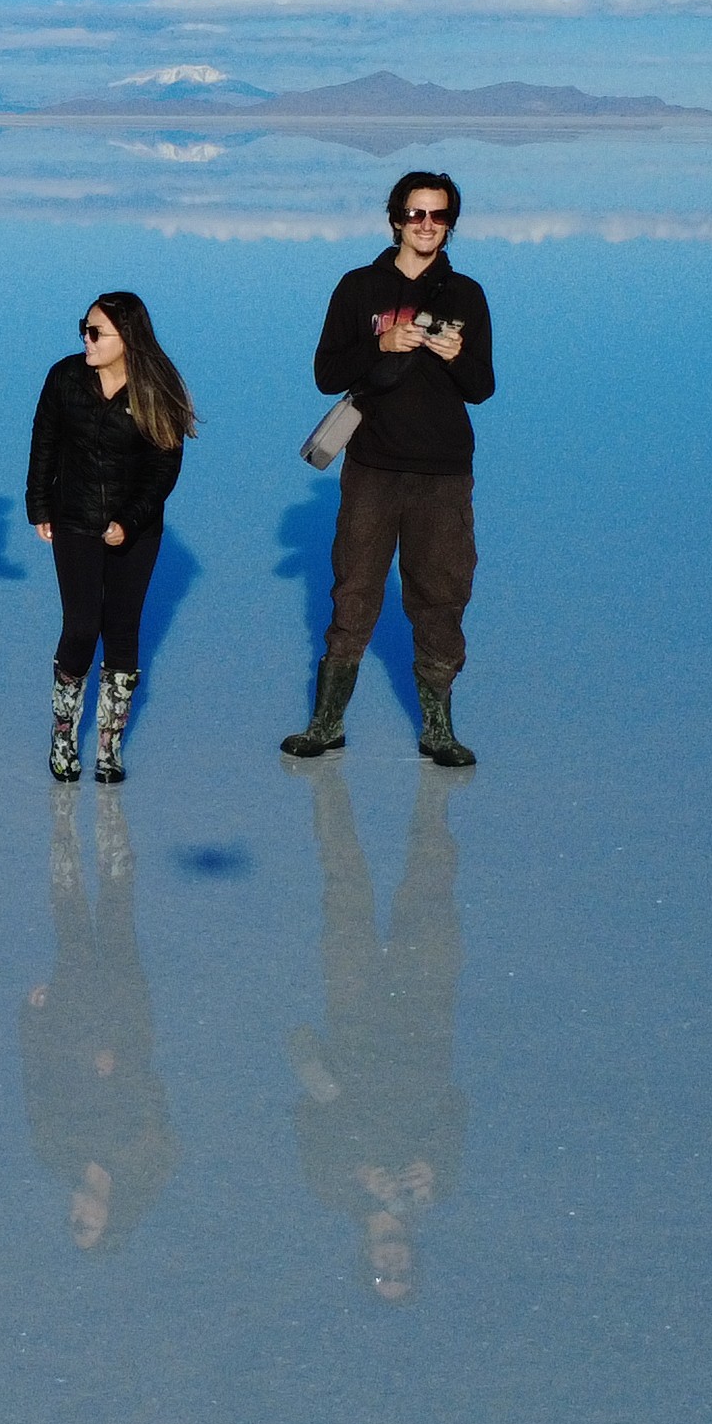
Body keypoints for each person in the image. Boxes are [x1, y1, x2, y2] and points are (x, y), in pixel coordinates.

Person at [285, 170, 496, 765]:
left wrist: (457, 358)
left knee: (441, 592)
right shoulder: (359, 288)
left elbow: (483, 387)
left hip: (444, 471)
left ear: (450, 223)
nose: (426, 226)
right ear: (395, 218)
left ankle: (438, 731)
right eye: (415, 214)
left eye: (437, 216)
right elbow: (327, 373)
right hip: (373, 467)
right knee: (354, 588)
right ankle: (325, 725)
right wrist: (381, 345)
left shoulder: (466, 296)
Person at [288, 758, 466, 1306]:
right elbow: (456, 1105)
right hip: (424, 1017)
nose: (393, 1263)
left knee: (346, 890)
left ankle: (328, 788)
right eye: (403, 1273)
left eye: (382, 1274)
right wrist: (431, 1160)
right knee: (428, 894)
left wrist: (361, 1171)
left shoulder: (332, 1186)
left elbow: (306, 1112)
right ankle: (434, 795)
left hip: (356, 1015)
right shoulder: (439, 1185)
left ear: (365, 1261)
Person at [25, 290, 191, 783]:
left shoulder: (157, 388)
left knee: (121, 629)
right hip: (74, 518)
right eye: (84, 327)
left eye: (97, 332)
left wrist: (130, 522)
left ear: (127, 339)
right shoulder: (65, 377)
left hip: (135, 529)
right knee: (80, 626)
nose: (86, 339)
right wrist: (39, 505)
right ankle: (62, 736)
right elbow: (44, 443)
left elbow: (164, 470)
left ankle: (109, 747)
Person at [22, 789, 174, 1254]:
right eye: (83, 1226)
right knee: (117, 927)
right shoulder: (145, 1163)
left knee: (71, 933)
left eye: (70, 1223)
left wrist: (30, 1017)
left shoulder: (53, 1152)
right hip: (125, 1026)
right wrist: (122, 1062)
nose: (75, 1216)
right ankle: (112, 820)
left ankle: (62, 821)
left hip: (69, 1026)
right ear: (111, 1222)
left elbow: (35, 1079)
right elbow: (156, 1099)